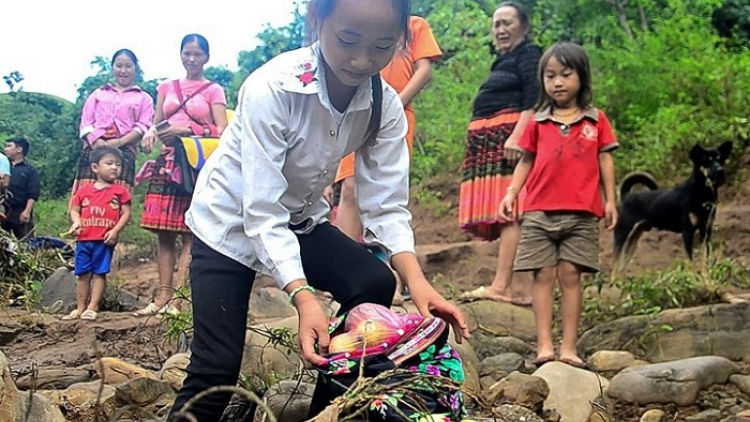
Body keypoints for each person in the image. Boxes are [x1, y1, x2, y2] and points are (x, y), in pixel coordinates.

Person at [166, 0, 469, 420]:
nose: (362, 60)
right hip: (229, 220)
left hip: (298, 217)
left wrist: (417, 283)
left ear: (402, 39)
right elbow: (261, 212)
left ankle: (329, 412)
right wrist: (303, 297)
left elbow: (386, 205)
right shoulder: (272, 88)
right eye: (348, 40)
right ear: (317, 21)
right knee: (215, 368)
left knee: (372, 282)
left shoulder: (384, 106)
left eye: (382, 45)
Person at [498, 42, 618, 367]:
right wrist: (511, 193)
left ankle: (569, 347)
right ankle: (544, 346)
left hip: (582, 213)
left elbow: (605, 158)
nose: (558, 82)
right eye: (550, 76)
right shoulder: (537, 122)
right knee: (543, 275)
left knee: (570, 274)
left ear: (582, 77)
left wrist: (610, 201)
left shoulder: (596, 120)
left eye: (566, 74)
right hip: (539, 212)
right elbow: (525, 161)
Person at [134, 34, 228, 316]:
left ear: (206, 58)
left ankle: (178, 299)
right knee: (164, 233)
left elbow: (222, 129)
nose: (191, 59)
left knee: (189, 233)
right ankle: (161, 297)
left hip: (196, 164)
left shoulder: (214, 90)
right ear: (181, 55)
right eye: (187, 53)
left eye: (197, 54)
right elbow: (155, 123)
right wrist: (152, 133)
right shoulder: (166, 87)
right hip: (167, 162)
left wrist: (187, 131)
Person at [458, 1, 540, 306]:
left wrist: (518, 136)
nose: (501, 29)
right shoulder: (507, 58)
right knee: (509, 213)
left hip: (509, 141)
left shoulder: (530, 54)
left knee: (512, 213)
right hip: (493, 142)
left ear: (525, 27)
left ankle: (503, 285)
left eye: (507, 23)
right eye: (497, 24)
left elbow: (535, 97)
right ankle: (519, 289)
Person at [61, 146, 132, 321]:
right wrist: (76, 222)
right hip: (84, 238)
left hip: (104, 240)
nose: (114, 167)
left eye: (118, 164)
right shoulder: (84, 190)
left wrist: (115, 230)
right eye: (109, 163)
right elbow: (74, 209)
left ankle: (93, 306)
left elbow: (126, 214)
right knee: (82, 273)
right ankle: (79, 307)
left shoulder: (120, 191)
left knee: (99, 272)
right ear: (95, 167)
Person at [74, 49, 155, 195]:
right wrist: (97, 142)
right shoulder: (98, 93)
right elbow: (86, 123)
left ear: (135, 69)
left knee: (117, 201)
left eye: (128, 66)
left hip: (124, 153)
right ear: (112, 68)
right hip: (94, 151)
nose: (123, 70)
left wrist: (118, 142)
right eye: (119, 66)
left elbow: (142, 126)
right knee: (86, 198)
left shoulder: (144, 98)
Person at [2, 138, 40, 239]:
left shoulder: (30, 170)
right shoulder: (3, 166)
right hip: (3, 209)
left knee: (27, 244)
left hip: (20, 210)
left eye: (9, 146)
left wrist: (26, 211)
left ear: (19, 149)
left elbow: (33, 193)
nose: (6, 149)